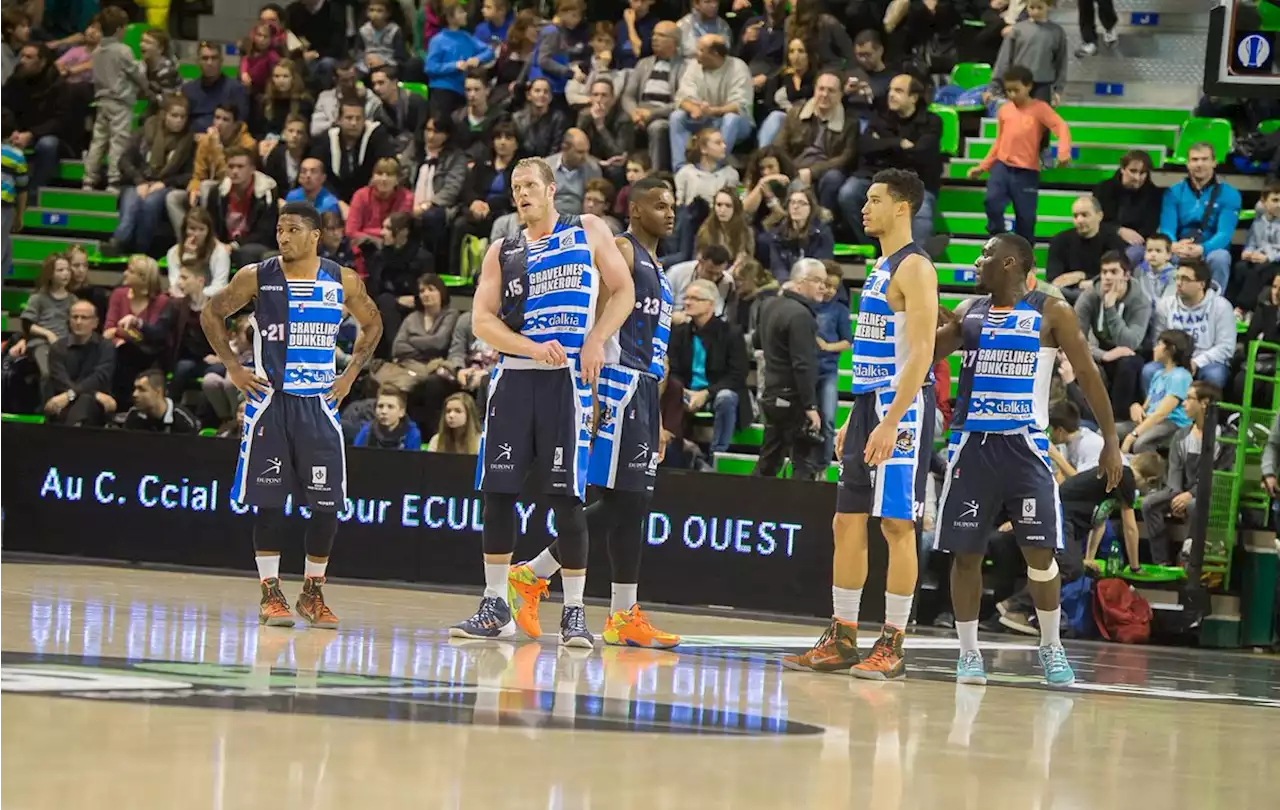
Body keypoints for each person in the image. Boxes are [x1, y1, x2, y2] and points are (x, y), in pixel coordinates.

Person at [450, 157, 635, 647]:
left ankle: (574, 611)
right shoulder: (503, 251)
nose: (522, 194)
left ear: (552, 190)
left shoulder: (588, 230)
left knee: (567, 500)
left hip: (566, 386)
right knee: (498, 495)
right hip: (514, 381)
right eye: (515, 187)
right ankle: (494, 605)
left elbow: (624, 291)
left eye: (530, 185)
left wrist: (596, 339)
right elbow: (482, 322)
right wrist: (530, 347)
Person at [932, 232, 1124, 687]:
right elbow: (926, 353)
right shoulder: (968, 313)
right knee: (966, 555)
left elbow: (1089, 377)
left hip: (1026, 449)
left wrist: (1112, 441)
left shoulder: (1050, 311)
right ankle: (968, 653)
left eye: (986, 254)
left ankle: (1051, 647)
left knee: (1042, 556)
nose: (977, 260)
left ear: (1011, 263)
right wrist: (924, 316)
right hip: (974, 446)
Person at [509, 176, 680, 648]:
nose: (670, 212)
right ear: (635, 210)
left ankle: (623, 614)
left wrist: (660, 418)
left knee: (633, 506)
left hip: (645, 388)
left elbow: (656, 346)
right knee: (627, 501)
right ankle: (532, 573)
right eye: (660, 205)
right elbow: (598, 320)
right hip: (618, 382)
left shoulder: (658, 265)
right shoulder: (621, 251)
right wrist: (597, 390)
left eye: (673, 205)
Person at [782, 169, 938, 680]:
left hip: (904, 408)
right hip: (872, 403)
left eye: (874, 200)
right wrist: (857, 414)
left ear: (901, 207)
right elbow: (877, 354)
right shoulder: (879, 266)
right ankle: (842, 636)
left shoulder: (915, 268)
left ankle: (892, 641)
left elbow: (922, 352)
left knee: (896, 524)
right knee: (846, 520)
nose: (863, 208)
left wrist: (891, 420)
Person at [200, 202, 383, 630]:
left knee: (326, 507)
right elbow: (211, 313)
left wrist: (350, 374)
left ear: (315, 235)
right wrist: (233, 367)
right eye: (280, 230)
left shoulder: (343, 280)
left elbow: (372, 324)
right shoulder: (256, 276)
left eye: (292, 230)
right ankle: (271, 593)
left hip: (318, 406)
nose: (283, 238)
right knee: (269, 504)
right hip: (272, 404)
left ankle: (312, 592)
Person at [968, 66, 1071, 244]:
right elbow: (999, 141)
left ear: (1028, 86)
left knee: (1026, 218)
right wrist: (983, 166)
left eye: (1016, 90)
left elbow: (1061, 127)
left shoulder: (1040, 108)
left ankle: (1025, 254)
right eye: (1008, 91)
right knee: (991, 202)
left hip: (1026, 171)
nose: (1012, 94)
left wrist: (1063, 151)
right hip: (1002, 166)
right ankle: (998, 238)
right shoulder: (1005, 110)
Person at [752, 260, 826, 479]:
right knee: (804, 462)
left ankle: (750, 505)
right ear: (800, 283)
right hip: (792, 399)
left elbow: (757, 340)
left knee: (769, 461)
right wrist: (810, 406)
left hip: (772, 394)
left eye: (825, 281)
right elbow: (803, 365)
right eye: (817, 281)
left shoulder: (769, 305)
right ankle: (799, 511)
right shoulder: (801, 315)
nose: (823, 287)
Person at [43, 299, 116, 427]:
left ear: (95, 323)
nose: (79, 322)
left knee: (86, 401)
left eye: (84, 318)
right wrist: (93, 393)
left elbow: (99, 378)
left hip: (94, 406)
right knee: (82, 401)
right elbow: (60, 381)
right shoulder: (58, 348)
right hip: (63, 401)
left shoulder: (105, 347)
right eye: (75, 317)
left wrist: (71, 394)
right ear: (69, 321)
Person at [122, 369, 200, 434]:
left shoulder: (183, 419)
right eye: (135, 389)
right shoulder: (134, 414)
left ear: (158, 392)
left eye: (142, 389)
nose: (134, 394)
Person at [353, 384, 423, 450]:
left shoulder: (412, 434)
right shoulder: (366, 431)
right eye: (380, 406)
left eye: (390, 407)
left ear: (401, 412)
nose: (384, 411)